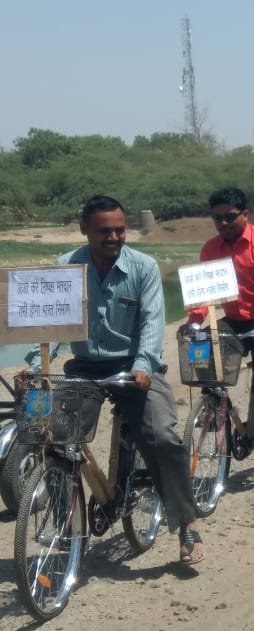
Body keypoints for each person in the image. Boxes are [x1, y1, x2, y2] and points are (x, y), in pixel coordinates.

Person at [30, 195, 204, 564]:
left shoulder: (143, 267)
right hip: (86, 366)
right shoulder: (65, 267)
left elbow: (153, 321)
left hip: (135, 366)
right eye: (104, 230)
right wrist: (34, 363)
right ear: (83, 230)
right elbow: (47, 324)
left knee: (160, 436)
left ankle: (186, 521)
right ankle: (65, 523)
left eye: (119, 229)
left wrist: (144, 363)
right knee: (57, 438)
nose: (113, 236)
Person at [186, 187, 254, 464]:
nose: (223, 223)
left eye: (229, 217)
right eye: (217, 218)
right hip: (234, 320)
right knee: (201, 355)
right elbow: (204, 295)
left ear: (245, 214)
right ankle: (212, 408)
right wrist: (195, 322)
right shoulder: (211, 248)